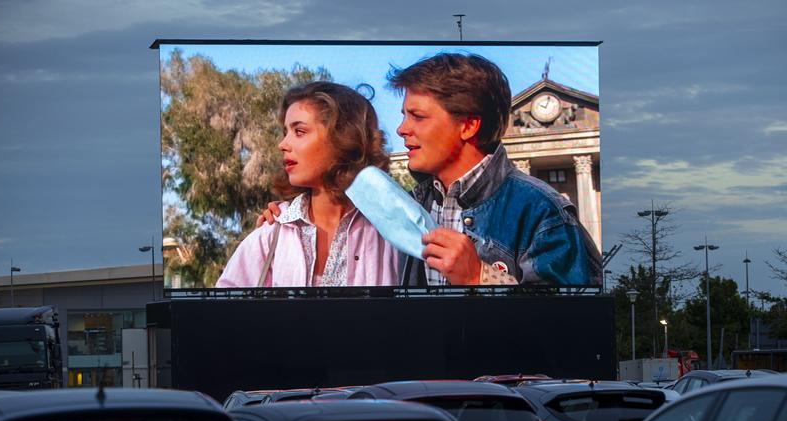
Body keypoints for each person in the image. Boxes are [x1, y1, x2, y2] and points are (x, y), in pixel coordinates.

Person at [258, 53, 602, 287]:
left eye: (417, 116)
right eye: (404, 115)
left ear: (468, 126)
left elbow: (570, 332)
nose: (401, 130)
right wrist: (290, 221)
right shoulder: (410, 206)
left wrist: (481, 278)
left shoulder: (543, 211)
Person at [215, 82, 399, 288]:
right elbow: (222, 312)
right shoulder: (272, 232)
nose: (283, 144)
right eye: (285, 132)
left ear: (344, 137)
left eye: (299, 132)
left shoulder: (392, 230)